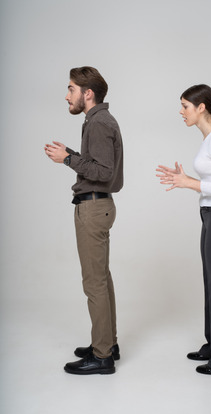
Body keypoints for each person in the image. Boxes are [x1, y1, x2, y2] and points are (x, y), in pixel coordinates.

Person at [156, 84, 211, 375]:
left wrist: (189, 184)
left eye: (185, 107)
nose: (182, 112)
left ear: (201, 107)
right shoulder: (208, 139)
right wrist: (186, 178)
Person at [44, 66, 123, 375]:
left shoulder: (99, 122)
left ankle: (102, 356)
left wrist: (66, 159)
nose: (67, 96)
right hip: (95, 206)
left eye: (71, 89)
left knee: (94, 283)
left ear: (87, 93)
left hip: (94, 209)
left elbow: (104, 172)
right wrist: (72, 154)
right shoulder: (97, 120)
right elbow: (98, 165)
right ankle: (107, 344)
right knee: (101, 279)